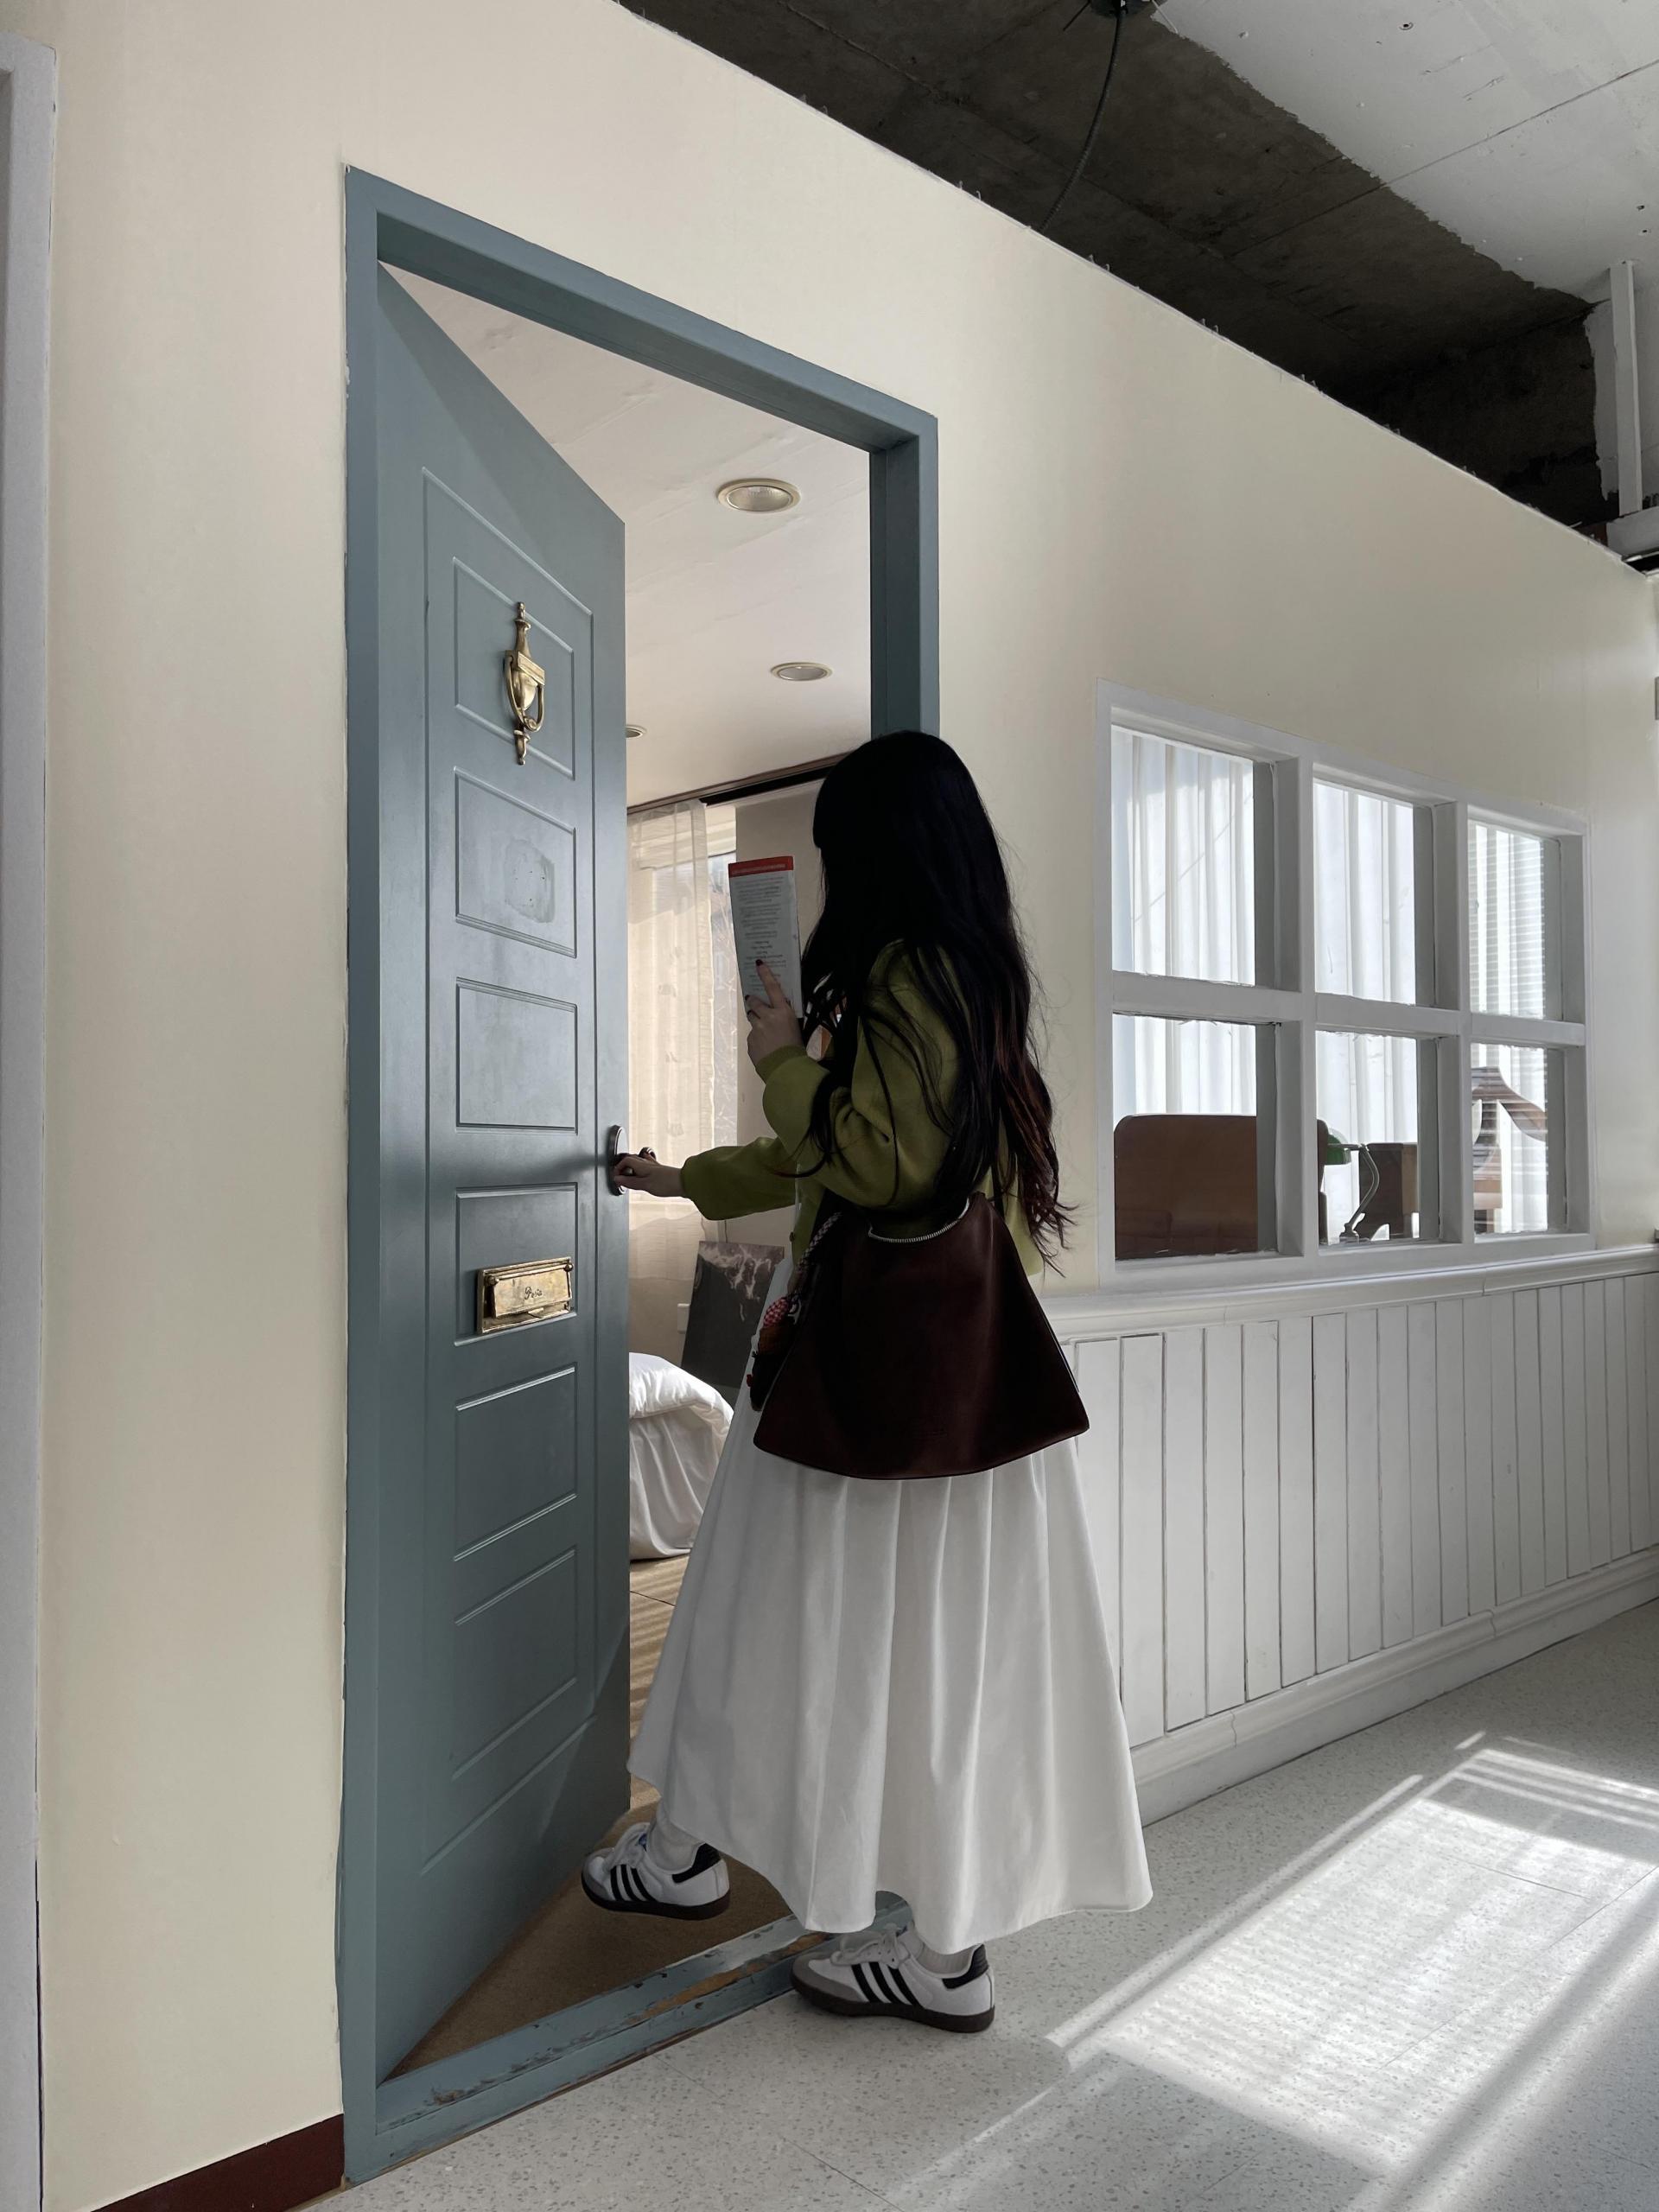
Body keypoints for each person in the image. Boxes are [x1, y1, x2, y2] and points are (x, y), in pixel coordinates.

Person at [588, 732, 1151, 2032]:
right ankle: (926, 1936)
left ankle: (697, 1856)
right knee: (934, 1654)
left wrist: (781, 1054)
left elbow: (871, 1161)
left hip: (868, 1372)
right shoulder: (972, 980)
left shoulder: (911, 977)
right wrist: (687, 1178)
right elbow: (839, 1155)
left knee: (757, 1607)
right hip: (961, 1389)